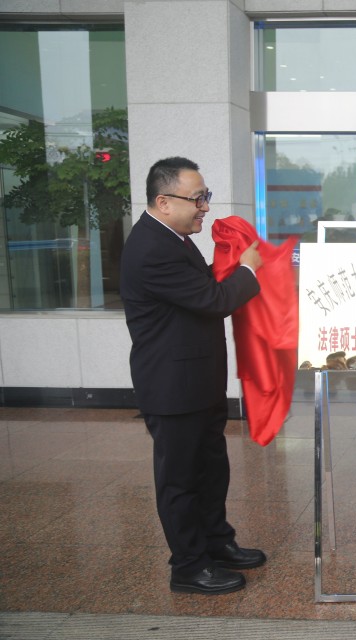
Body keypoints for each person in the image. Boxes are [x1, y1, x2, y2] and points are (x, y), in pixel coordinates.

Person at [120, 157, 266, 595]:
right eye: (197, 198)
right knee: (180, 481)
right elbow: (213, 300)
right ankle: (188, 566)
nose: (205, 207)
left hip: (198, 381)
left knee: (210, 470)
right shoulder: (151, 248)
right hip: (172, 388)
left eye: (206, 196)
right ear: (163, 202)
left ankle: (217, 543)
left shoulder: (174, 239)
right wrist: (249, 269)